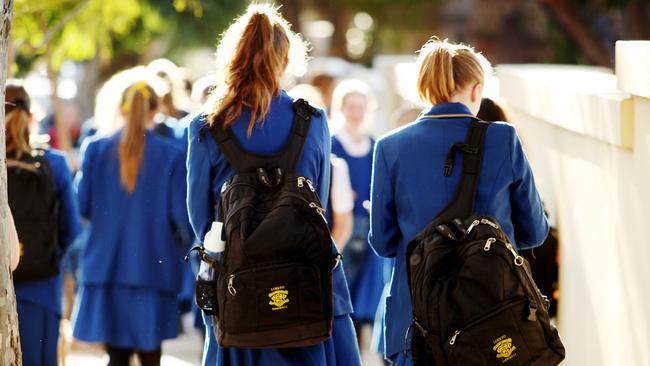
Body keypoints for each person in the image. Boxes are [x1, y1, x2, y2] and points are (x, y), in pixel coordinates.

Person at [186, 4, 360, 366]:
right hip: (307, 282)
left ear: (232, 59)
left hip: (239, 287)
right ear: (285, 61)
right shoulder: (313, 120)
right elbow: (318, 205)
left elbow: (201, 219)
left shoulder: (206, 126)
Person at [369, 38, 549, 365]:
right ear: (477, 88)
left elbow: (382, 242)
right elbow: (535, 231)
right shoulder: (503, 138)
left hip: (416, 322)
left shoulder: (389, 147)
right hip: (492, 318)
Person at [72, 79, 192, 366]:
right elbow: (181, 217)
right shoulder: (172, 154)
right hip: (153, 268)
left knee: (116, 356)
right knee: (151, 356)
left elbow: (82, 206)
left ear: (121, 108)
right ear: (155, 111)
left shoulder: (95, 149)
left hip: (108, 268)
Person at [6, 81, 81, 366]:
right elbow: (71, 229)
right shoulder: (55, 163)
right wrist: (46, 259)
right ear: (32, 116)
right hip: (42, 290)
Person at [330, 79, 386, 349]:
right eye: (351, 106)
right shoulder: (332, 143)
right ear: (341, 108)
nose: (356, 112)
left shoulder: (374, 144)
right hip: (342, 224)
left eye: (361, 107)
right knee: (342, 281)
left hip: (369, 225)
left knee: (367, 287)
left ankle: (359, 343)